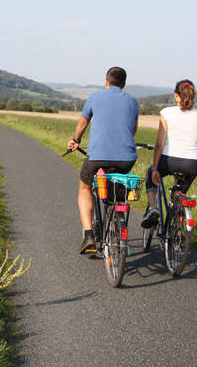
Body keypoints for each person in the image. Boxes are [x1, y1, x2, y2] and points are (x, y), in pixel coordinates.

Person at [67, 67, 139, 254]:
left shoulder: (95, 97)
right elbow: (132, 130)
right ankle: (116, 222)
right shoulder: (132, 101)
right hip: (126, 158)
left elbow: (83, 122)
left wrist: (76, 140)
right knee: (117, 189)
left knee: (84, 188)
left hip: (98, 157)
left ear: (106, 82)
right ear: (124, 84)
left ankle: (88, 235)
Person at [141, 80, 197, 228]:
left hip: (169, 161)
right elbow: (196, 139)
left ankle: (152, 208)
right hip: (191, 164)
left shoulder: (166, 112)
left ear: (176, 95)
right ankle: (176, 224)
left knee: (150, 173)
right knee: (179, 193)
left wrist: (155, 168)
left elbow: (159, 144)